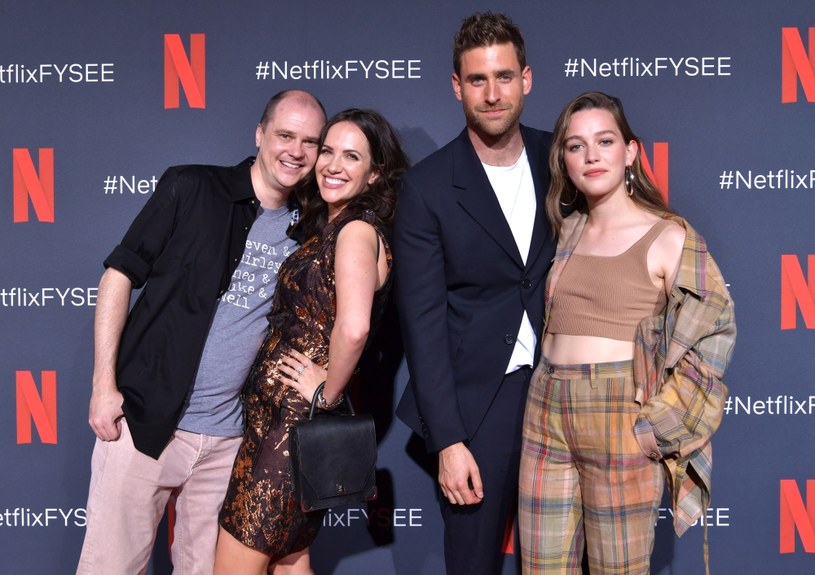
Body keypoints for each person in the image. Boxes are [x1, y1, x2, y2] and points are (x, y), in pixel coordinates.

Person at [77, 90, 326, 575]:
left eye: (310, 142)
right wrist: (103, 386)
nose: (296, 151)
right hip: (145, 423)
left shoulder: (310, 229)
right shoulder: (191, 187)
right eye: (285, 135)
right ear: (260, 134)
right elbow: (118, 275)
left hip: (229, 442)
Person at [518, 92, 736, 575]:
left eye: (605, 140)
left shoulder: (670, 236)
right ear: (565, 161)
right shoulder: (565, 232)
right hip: (545, 406)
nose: (591, 155)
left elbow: (714, 332)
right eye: (576, 146)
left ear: (630, 152)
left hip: (619, 412)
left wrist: (658, 426)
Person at [213, 108, 409, 575]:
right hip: (280, 423)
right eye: (328, 151)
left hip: (290, 429)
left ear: (375, 173)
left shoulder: (357, 231)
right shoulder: (333, 228)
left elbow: (355, 326)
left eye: (352, 156)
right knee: (289, 561)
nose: (333, 165)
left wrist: (328, 391)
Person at [394, 11, 555, 575]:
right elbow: (423, 322)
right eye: (478, 80)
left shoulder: (560, 157)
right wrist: (449, 440)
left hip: (565, 391)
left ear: (527, 79)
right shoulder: (428, 187)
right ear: (457, 86)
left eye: (504, 77)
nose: (493, 94)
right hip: (479, 402)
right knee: (473, 563)